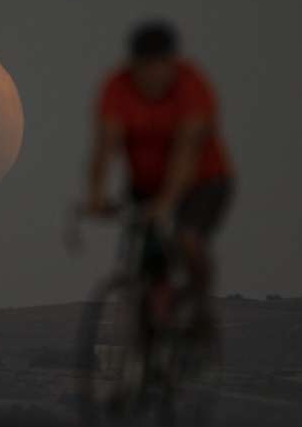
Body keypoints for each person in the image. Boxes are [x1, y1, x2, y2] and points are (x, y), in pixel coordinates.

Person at [87, 20, 234, 335]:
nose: (153, 74)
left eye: (161, 65)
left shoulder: (192, 85)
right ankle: (151, 330)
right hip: (146, 183)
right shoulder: (117, 86)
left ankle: (199, 305)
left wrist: (167, 202)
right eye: (145, 66)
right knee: (146, 254)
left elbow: (188, 149)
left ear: (173, 63)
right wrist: (96, 195)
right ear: (133, 65)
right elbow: (105, 143)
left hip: (204, 180)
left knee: (187, 237)